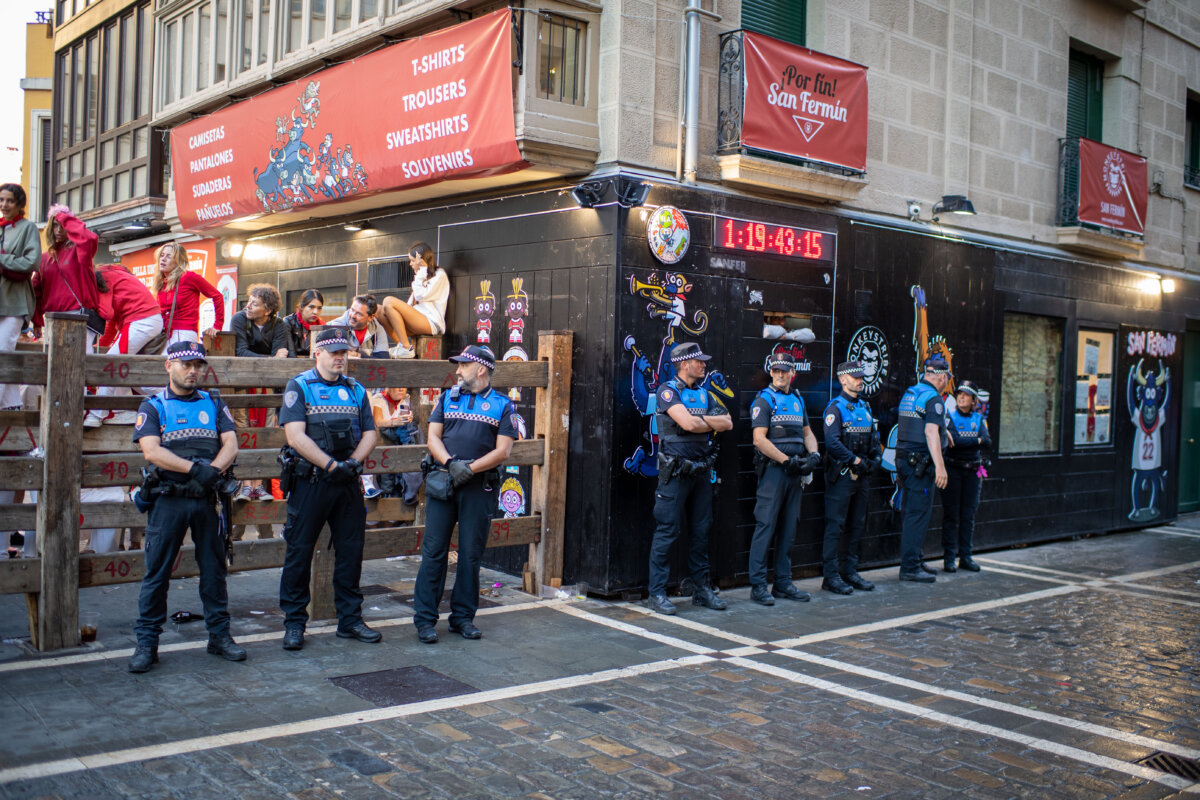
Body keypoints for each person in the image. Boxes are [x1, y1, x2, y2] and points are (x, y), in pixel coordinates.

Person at [128, 342, 245, 673]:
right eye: (185, 364)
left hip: (207, 498)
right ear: (169, 366)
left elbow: (231, 444)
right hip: (169, 499)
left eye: (198, 365)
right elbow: (151, 451)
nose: (193, 370)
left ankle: (219, 636)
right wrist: (195, 470)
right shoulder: (153, 405)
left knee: (214, 571)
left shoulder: (214, 402)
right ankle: (147, 644)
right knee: (157, 573)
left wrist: (212, 472)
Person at [277, 328, 380, 650]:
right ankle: (295, 623)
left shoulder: (355, 389)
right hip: (311, 481)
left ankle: (350, 620)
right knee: (299, 552)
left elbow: (371, 433)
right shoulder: (300, 386)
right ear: (316, 353)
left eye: (344, 352)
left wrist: (351, 463)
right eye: (334, 352)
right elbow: (295, 436)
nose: (340, 358)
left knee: (351, 552)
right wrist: (330, 465)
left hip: (347, 480)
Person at [413, 345, 518, 643]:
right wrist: (451, 464)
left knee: (471, 555)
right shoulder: (447, 397)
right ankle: (425, 620)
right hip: (444, 481)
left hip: (478, 486)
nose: (458, 371)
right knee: (433, 552)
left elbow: (503, 451)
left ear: (480, 369)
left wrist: (469, 469)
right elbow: (433, 437)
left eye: (463, 365)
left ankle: (462, 618)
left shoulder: (502, 405)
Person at [645, 342, 733, 615]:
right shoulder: (668, 391)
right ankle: (657, 593)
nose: (704, 365)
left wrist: (700, 421)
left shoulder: (706, 394)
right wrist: (707, 422)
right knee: (667, 531)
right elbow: (687, 423)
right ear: (685, 364)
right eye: (699, 361)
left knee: (700, 532)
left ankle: (702, 591)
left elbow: (728, 422)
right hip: (675, 474)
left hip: (701, 473)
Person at [747, 352, 820, 605]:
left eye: (784, 370)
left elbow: (807, 433)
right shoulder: (764, 399)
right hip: (774, 473)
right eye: (776, 370)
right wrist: (785, 460)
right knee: (765, 526)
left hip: (795, 472)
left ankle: (783, 583)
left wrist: (814, 455)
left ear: (792, 373)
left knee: (789, 528)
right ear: (771, 372)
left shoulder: (798, 399)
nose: (779, 374)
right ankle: (758, 586)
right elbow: (759, 440)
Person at [0, 184, 41, 559]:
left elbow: (30, 262)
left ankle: (8, 413)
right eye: (1, 200)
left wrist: (3, 259)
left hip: (13, 301)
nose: (4, 205)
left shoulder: (27, 228)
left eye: (9, 200)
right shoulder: (1, 227)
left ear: (20, 204)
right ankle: (8, 410)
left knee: (5, 353)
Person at [821, 361, 883, 594]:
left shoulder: (865, 407)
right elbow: (832, 443)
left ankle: (850, 572)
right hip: (842, 475)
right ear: (842, 379)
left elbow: (874, 440)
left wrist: (874, 459)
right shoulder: (835, 408)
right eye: (855, 377)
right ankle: (830, 577)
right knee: (835, 526)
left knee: (856, 524)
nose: (860, 380)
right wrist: (854, 460)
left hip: (863, 475)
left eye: (861, 377)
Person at [230, 284, 292, 502]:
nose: (248, 306)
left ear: (268, 310)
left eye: (254, 304)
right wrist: (271, 359)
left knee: (264, 432)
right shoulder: (239, 319)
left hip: (267, 385)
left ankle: (259, 485)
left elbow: (281, 355)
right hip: (242, 383)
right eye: (249, 301)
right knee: (244, 430)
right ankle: (246, 484)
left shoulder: (279, 324)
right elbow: (240, 352)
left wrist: (273, 360)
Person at [894, 355, 951, 583]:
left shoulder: (911, 392)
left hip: (904, 461)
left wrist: (946, 434)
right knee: (917, 515)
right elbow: (930, 432)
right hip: (919, 464)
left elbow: (918, 425)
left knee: (911, 512)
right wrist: (940, 466)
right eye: (947, 378)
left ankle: (915, 559)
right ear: (942, 377)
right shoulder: (933, 398)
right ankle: (910, 568)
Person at [91, 264, 165, 426]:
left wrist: (91, 304)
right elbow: (111, 324)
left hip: (141, 321)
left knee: (112, 363)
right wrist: (98, 349)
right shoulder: (114, 274)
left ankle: (97, 414)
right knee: (127, 370)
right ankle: (123, 411)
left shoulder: (101, 276)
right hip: (144, 320)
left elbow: (106, 313)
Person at [33, 205, 100, 351]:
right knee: (53, 360)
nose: (59, 230)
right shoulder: (44, 258)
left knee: (80, 359)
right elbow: (36, 291)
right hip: (52, 317)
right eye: (55, 225)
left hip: (77, 315)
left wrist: (64, 218)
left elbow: (90, 238)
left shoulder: (79, 251)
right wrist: (36, 321)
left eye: (63, 225)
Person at [942, 380, 990, 573]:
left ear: (974, 400)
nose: (961, 397)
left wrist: (970, 440)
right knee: (951, 516)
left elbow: (987, 441)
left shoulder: (979, 418)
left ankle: (966, 557)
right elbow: (954, 442)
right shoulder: (949, 416)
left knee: (968, 516)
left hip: (972, 472)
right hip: (953, 470)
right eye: (959, 394)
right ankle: (949, 559)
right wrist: (975, 440)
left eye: (966, 395)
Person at [378, 242, 449, 359]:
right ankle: (401, 346)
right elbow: (410, 304)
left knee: (388, 301)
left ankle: (406, 348)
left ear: (421, 259)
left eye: (412, 260)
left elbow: (421, 295)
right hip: (416, 319)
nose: (410, 264)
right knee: (379, 310)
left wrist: (422, 270)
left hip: (431, 322)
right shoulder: (420, 276)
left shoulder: (439, 274)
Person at [154, 241, 224, 347]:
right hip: (165, 334)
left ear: (178, 261)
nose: (163, 259)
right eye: (162, 255)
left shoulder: (189, 277)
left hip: (184, 332)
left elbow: (217, 296)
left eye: (168, 256)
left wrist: (217, 326)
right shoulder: (161, 283)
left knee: (170, 357)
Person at [366, 386, 423, 504]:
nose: (401, 389)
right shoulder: (379, 398)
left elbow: (411, 423)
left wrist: (410, 419)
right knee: (383, 480)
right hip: (382, 448)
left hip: (400, 448)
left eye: (404, 387)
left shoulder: (408, 399)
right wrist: (395, 422)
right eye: (397, 386)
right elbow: (378, 421)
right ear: (389, 388)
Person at [283, 289, 324, 358]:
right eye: (311, 307)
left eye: (319, 308)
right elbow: (291, 354)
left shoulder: (321, 326)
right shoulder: (289, 322)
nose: (315, 312)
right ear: (301, 307)